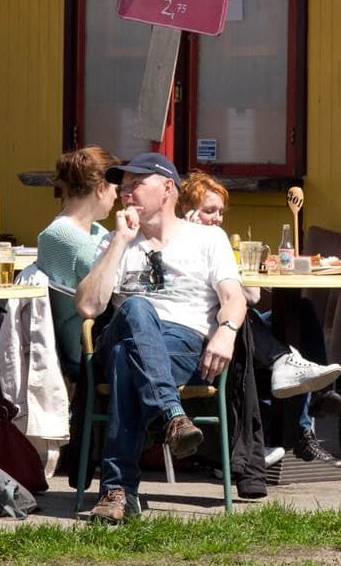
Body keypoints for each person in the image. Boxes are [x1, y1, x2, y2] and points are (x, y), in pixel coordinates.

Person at [72, 152, 252, 523]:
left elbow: (234, 298)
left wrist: (227, 332)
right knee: (137, 309)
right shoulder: (114, 241)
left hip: (183, 348)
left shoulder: (208, 237)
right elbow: (89, 308)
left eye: (136, 184)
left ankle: (117, 492)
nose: (126, 193)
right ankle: (170, 414)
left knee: (126, 357)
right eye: (123, 187)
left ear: (168, 188)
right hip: (124, 330)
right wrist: (121, 240)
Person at [177, 171, 341, 464]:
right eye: (209, 211)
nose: (217, 218)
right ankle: (300, 434)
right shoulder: (177, 246)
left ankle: (319, 395)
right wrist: (191, 241)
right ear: (185, 211)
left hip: (242, 326)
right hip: (214, 335)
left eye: (221, 212)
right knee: (285, 343)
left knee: (302, 312)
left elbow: (252, 298)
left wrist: (235, 261)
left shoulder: (218, 242)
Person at [35, 145, 118, 375]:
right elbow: (119, 277)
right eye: (114, 188)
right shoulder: (65, 237)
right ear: (101, 188)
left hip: (94, 339)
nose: (117, 195)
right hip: (86, 350)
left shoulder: (93, 230)